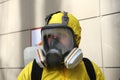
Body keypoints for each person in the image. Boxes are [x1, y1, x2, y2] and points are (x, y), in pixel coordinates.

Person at [17, 11, 105, 80]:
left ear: (75, 39)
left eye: (61, 35)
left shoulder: (90, 70)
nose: (54, 41)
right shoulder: (32, 71)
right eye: (50, 36)